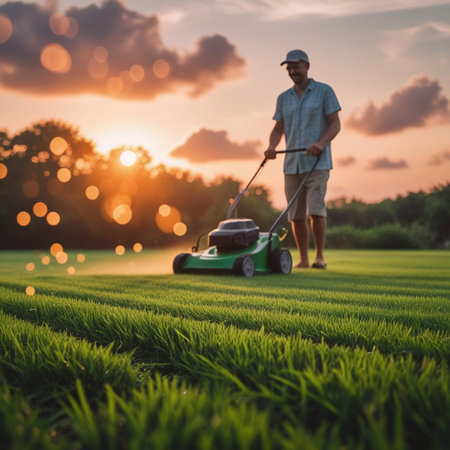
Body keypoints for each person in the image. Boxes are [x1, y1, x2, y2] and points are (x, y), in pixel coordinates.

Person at [265, 49, 341, 269]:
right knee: (295, 215)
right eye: (288, 68)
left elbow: (335, 123)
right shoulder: (283, 98)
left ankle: (319, 257)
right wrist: (271, 146)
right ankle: (304, 260)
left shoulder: (324, 91)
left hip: (318, 163)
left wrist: (321, 143)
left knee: (315, 210)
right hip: (292, 165)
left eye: (295, 67)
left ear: (307, 66)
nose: (292, 71)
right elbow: (278, 129)